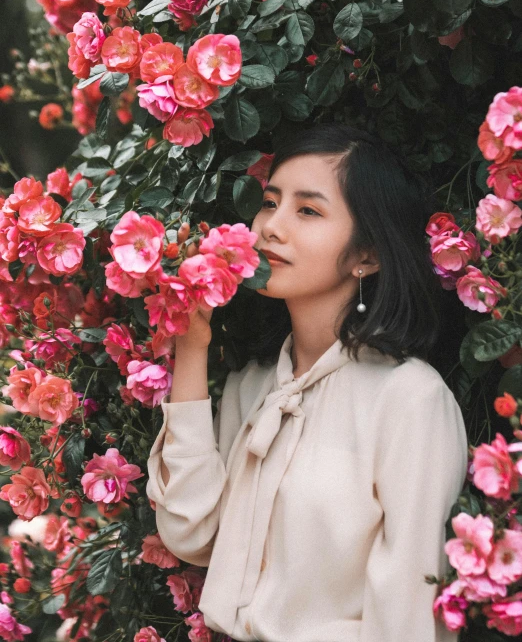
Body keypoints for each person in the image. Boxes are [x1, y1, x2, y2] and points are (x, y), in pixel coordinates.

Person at [146, 123, 469, 642]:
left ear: (368, 255)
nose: (272, 226)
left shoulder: (410, 399)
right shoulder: (254, 385)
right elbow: (189, 532)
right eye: (270, 202)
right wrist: (191, 346)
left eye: (308, 210)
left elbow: (411, 614)